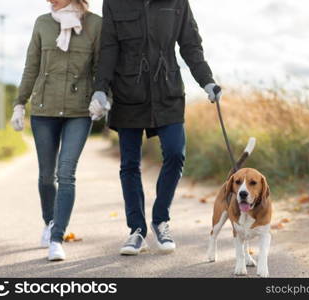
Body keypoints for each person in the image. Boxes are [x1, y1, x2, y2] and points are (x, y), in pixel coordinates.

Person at [90, 0, 222, 255]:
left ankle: (160, 220)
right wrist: (100, 89)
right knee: (129, 163)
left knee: (175, 153)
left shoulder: (177, 2)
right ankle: (136, 230)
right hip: (128, 92)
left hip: (167, 92)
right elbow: (108, 49)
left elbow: (191, 45)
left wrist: (207, 81)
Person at [10, 0, 102, 261]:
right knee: (45, 177)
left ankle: (57, 238)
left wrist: (101, 96)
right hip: (43, 109)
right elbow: (31, 67)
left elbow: (100, 68)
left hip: (79, 111)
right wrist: (19, 103)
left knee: (66, 173)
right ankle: (49, 222)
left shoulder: (95, 25)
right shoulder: (42, 23)